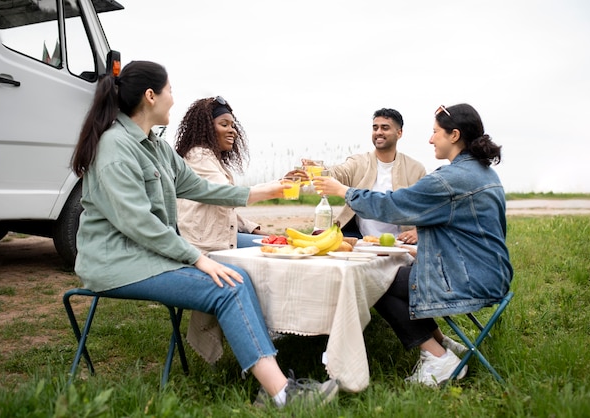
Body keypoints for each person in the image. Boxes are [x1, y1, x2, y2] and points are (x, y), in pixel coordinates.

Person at [70, 60, 338, 407]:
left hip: (148, 257)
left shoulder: (157, 147)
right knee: (229, 285)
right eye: (169, 90)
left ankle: (272, 384)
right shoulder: (115, 148)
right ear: (151, 96)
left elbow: (200, 188)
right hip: (118, 264)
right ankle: (283, 395)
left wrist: (266, 191)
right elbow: (139, 223)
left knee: (236, 278)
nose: (172, 98)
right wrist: (197, 258)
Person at [313, 103, 513, 386]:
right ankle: (441, 343)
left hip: (470, 280)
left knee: (375, 280)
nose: (431, 139)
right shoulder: (482, 173)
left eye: (435, 133)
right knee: (389, 276)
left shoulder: (450, 179)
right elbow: (463, 234)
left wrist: (344, 192)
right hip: (491, 273)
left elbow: (394, 205)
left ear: (454, 135)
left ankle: (438, 359)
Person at [301, 108, 426, 243]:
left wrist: (418, 231)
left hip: (402, 243)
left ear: (399, 133)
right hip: (361, 241)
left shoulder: (416, 169)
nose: (378, 132)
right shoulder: (358, 162)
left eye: (385, 128)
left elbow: (429, 209)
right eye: (375, 128)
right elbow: (338, 173)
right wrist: (320, 169)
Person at [174, 96, 267, 253]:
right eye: (224, 124)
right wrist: (273, 189)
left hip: (214, 237)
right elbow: (226, 197)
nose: (233, 131)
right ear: (207, 128)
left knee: (273, 244)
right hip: (203, 245)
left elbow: (221, 209)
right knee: (269, 254)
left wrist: (253, 229)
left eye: (233, 125)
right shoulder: (199, 156)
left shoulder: (211, 158)